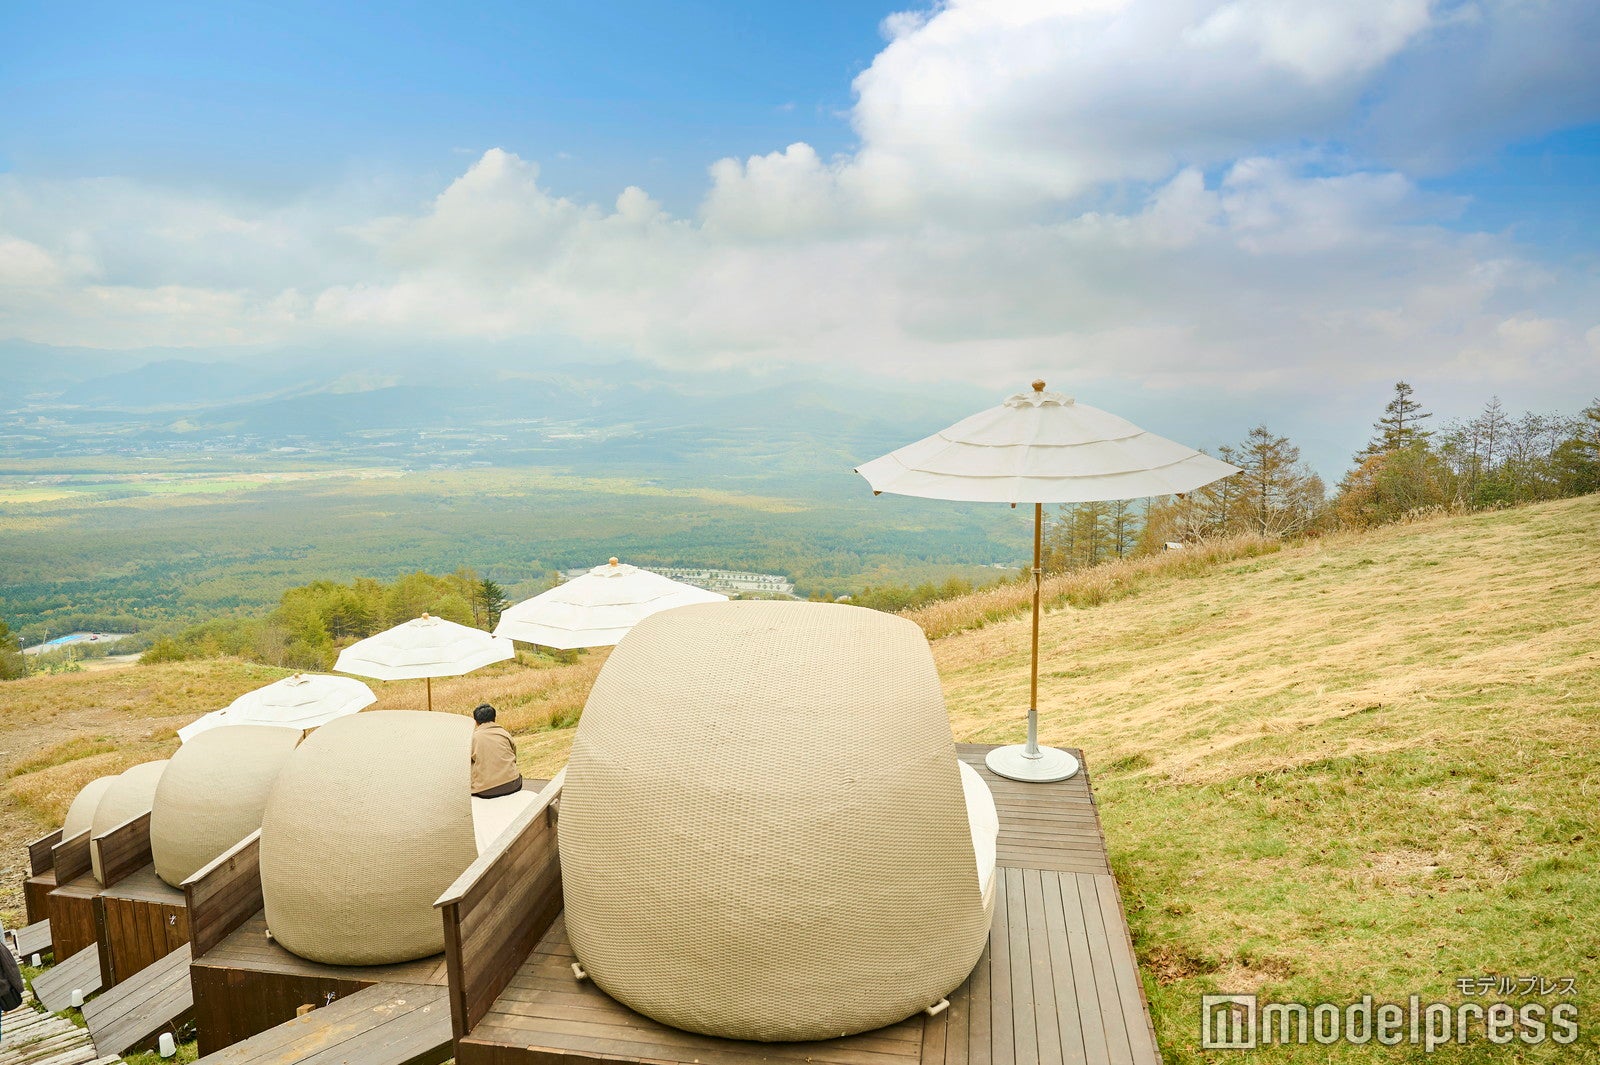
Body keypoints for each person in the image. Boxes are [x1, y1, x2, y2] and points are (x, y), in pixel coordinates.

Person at [470, 703, 523, 798]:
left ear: (476, 721)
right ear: (494, 718)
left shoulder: (473, 738)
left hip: (485, 790)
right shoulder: (504, 733)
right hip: (513, 784)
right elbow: (514, 756)